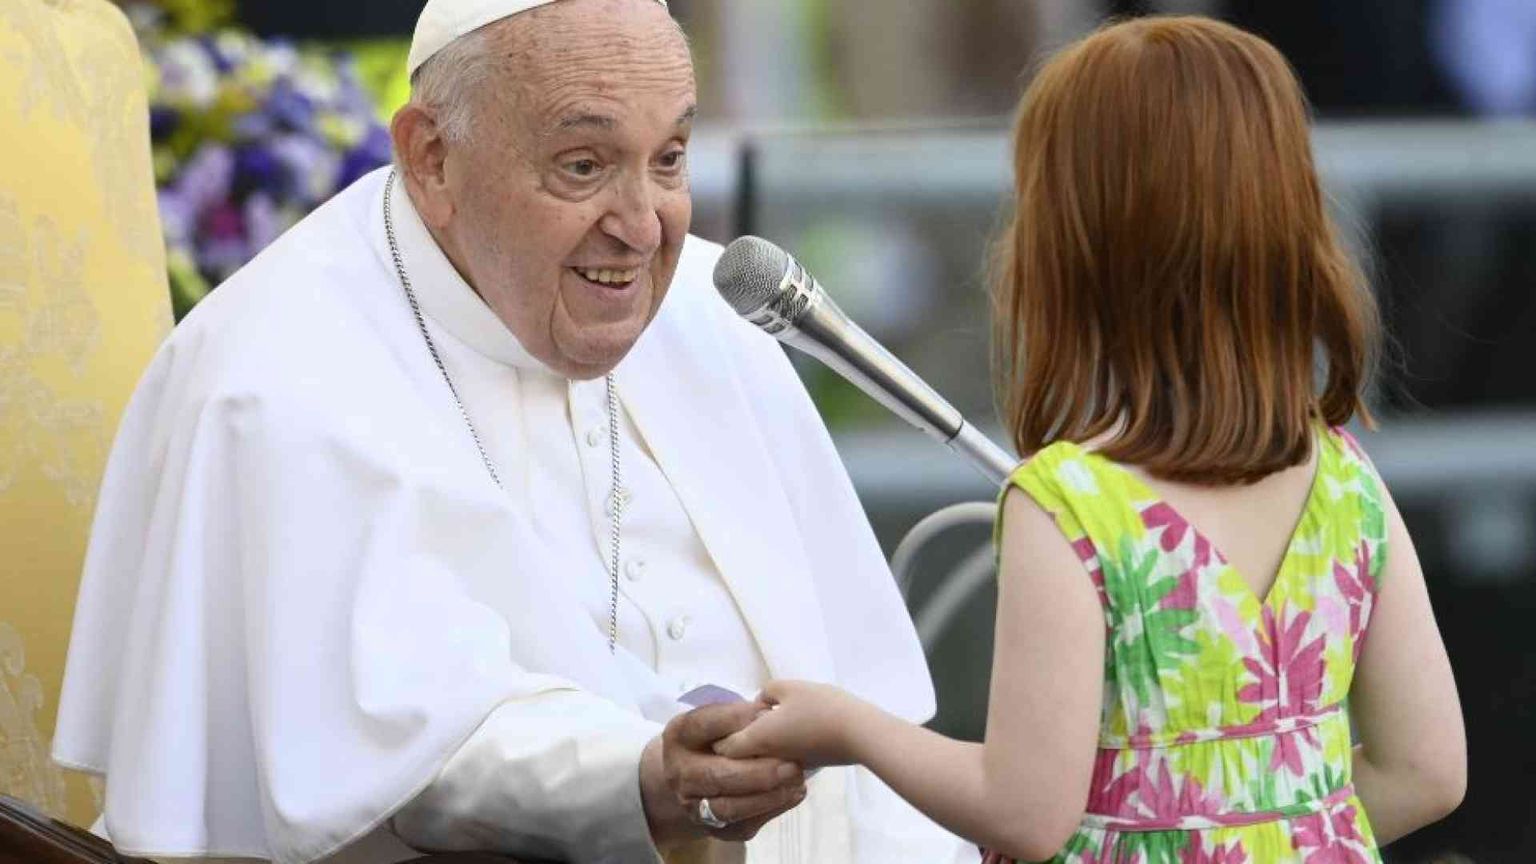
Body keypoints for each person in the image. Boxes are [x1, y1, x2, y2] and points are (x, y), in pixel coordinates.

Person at [49, 1, 975, 862]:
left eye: (670, 159)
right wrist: (643, 776)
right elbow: (379, 750)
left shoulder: (706, 308)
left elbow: (867, 704)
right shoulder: (270, 372)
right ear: (431, 159)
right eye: (584, 165)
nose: (643, 227)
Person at [715, 16, 1468, 863]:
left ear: (1070, 248)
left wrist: (847, 726)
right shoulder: (1346, 479)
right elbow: (1429, 770)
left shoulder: (1069, 507)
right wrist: (1259, 829)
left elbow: (1026, 811)